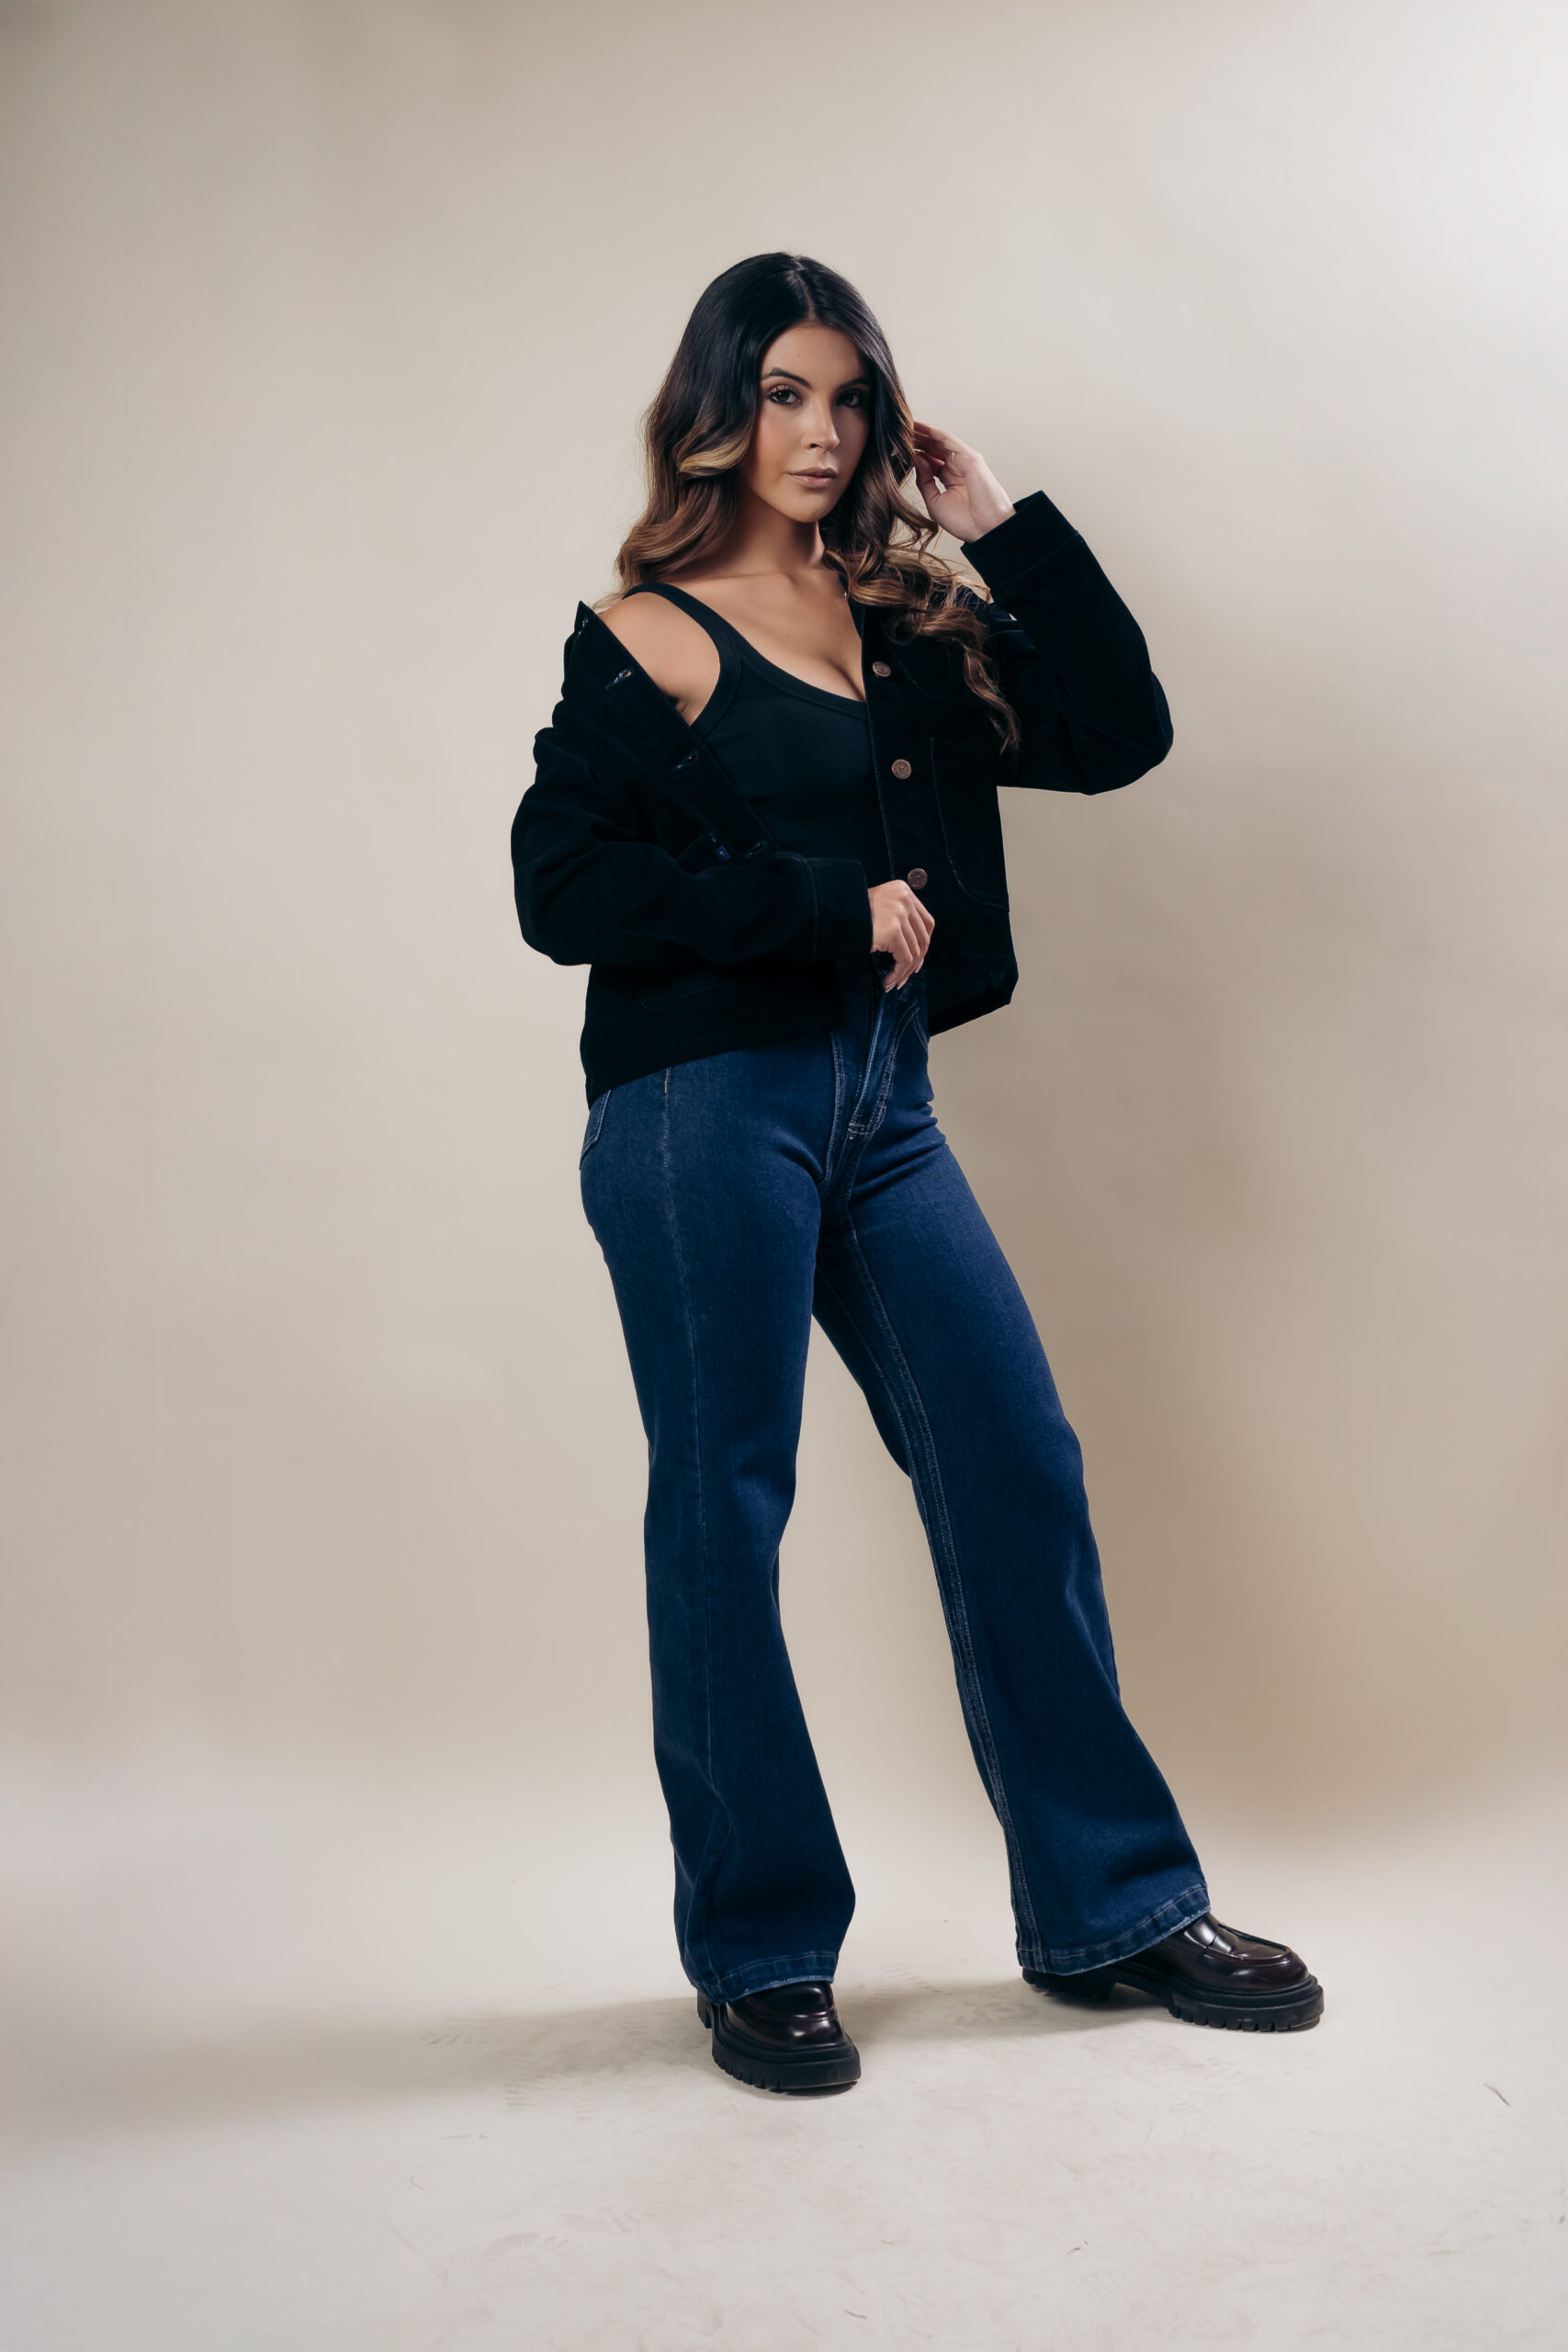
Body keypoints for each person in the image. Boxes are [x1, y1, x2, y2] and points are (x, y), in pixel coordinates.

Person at [511, 253, 1322, 2096]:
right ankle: (760, 1947)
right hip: (699, 1102)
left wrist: (1000, 525)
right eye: (782, 392)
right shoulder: (647, 635)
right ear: (717, 410)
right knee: (726, 1501)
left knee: (1012, 1458)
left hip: (886, 1105)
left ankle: (1113, 1909)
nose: (819, 431)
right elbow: (560, 884)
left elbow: (1116, 734)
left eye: (849, 396)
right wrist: (822, 905)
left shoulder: (905, 619)